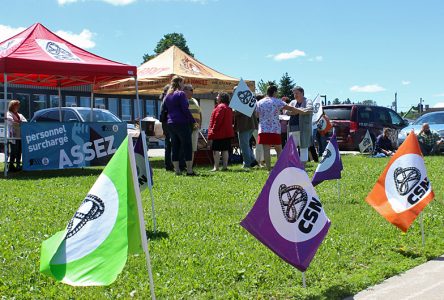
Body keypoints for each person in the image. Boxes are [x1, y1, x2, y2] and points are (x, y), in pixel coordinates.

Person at [256, 85, 299, 171]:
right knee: (279, 149)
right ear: (274, 92)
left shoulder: (259, 102)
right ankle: (280, 168)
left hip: (263, 129)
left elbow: (256, 115)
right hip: (275, 129)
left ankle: (269, 169)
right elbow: (289, 107)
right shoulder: (277, 101)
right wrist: (300, 111)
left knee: (266, 150)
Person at [164, 76, 196, 176]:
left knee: (175, 146)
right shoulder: (181, 94)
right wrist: (192, 120)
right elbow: (185, 109)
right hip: (182, 122)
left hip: (171, 123)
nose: (184, 85)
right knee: (187, 146)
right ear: (179, 83)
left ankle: (177, 170)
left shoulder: (167, 95)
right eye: (183, 83)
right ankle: (189, 170)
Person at [285, 86, 313, 164]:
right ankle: (293, 163)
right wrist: (296, 111)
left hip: (303, 128)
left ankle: (303, 164)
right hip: (292, 128)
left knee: (303, 146)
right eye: (294, 93)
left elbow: (309, 109)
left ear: (302, 93)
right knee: (292, 147)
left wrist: (296, 111)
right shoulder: (293, 102)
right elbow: (286, 111)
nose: (295, 95)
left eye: (297, 93)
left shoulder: (308, 101)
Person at [208, 92, 234, 171]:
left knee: (216, 150)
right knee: (225, 149)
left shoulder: (220, 107)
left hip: (219, 132)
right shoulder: (228, 107)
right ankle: (225, 166)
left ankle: (216, 167)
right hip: (227, 133)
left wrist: (213, 129)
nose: (216, 97)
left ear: (221, 98)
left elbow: (217, 120)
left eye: (218, 96)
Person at [233, 87, 258, 170]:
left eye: (234, 91)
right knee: (246, 144)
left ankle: (247, 164)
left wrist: (232, 111)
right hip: (251, 125)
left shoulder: (239, 100)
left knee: (244, 145)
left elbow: (237, 113)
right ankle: (253, 160)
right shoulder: (248, 98)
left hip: (244, 126)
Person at [183, 84, 202, 165]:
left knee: (193, 148)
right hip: (186, 128)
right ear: (184, 91)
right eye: (191, 90)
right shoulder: (182, 100)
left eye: (192, 90)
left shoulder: (195, 100)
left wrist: (199, 124)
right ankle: (184, 165)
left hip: (195, 128)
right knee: (185, 147)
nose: (192, 92)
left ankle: (190, 165)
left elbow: (200, 113)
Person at [6, 100, 27, 172]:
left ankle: (18, 165)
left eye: (18, 105)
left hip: (20, 136)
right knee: (14, 151)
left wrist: (18, 122)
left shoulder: (20, 115)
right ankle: (11, 166)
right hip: (13, 136)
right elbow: (11, 122)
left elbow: (25, 122)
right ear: (12, 106)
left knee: (19, 151)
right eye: (16, 105)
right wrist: (19, 122)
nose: (18, 107)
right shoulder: (8, 114)